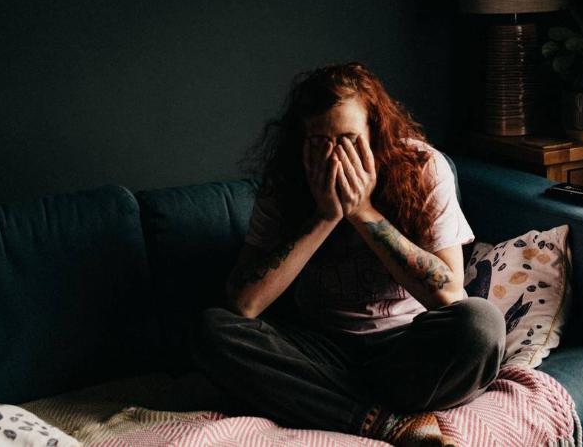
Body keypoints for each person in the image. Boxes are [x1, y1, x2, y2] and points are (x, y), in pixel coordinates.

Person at [189, 62, 506, 447]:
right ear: (301, 141)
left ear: (375, 133)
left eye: (349, 140)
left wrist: (362, 212)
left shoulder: (423, 167)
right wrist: (325, 216)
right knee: (211, 330)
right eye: (320, 142)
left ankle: (329, 404)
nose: (336, 158)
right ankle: (381, 422)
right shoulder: (285, 181)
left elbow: (449, 294)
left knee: (482, 324)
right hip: (320, 349)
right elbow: (244, 304)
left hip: (407, 349)